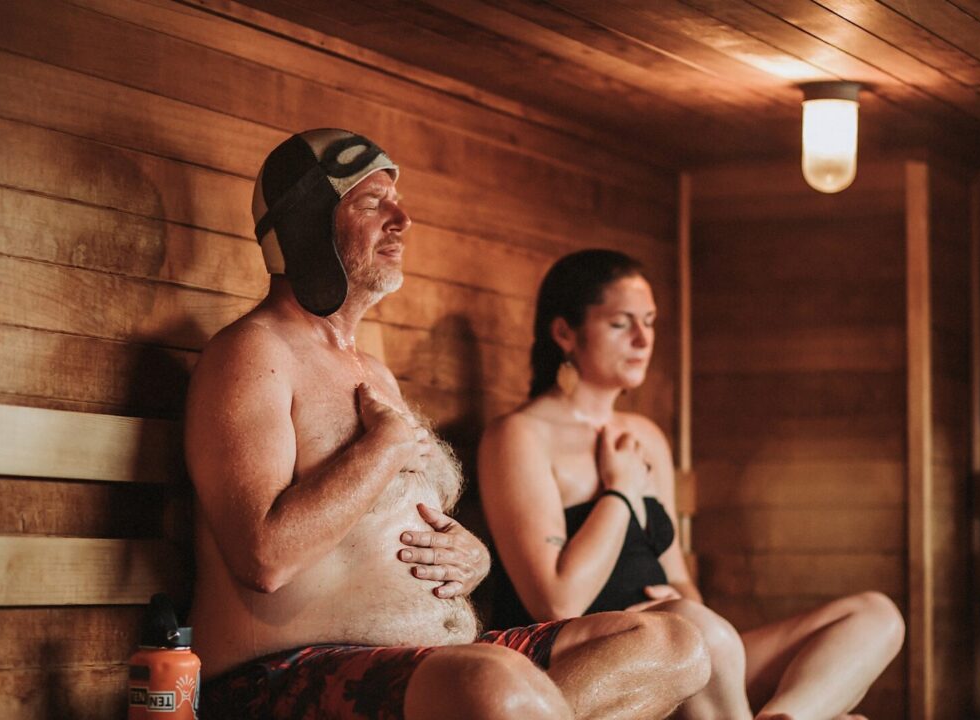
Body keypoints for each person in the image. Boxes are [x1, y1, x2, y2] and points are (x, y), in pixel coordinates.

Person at [184, 130, 710, 720]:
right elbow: (264, 556)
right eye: (370, 201)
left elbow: (384, 528)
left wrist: (475, 558)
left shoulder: (373, 373)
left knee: (674, 645)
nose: (401, 218)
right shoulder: (252, 354)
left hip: (434, 661)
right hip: (283, 674)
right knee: (494, 682)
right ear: (306, 223)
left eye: (396, 201)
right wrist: (382, 447)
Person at [479, 249, 905, 720]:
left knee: (874, 615)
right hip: (601, 663)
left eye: (650, 321)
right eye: (622, 324)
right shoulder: (519, 436)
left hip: (688, 646)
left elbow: (675, 573)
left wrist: (689, 606)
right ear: (564, 332)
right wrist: (620, 492)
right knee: (693, 628)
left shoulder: (645, 436)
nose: (643, 339)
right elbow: (555, 600)